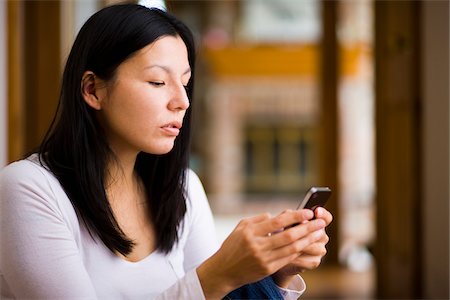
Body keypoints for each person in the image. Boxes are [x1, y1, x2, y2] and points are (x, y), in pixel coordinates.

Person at [0, 4, 332, 299]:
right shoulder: (28, 189)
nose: (182, 101)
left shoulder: (182, 189)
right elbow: (207, 288)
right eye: (158, 82)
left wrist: (274, 271)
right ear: (92, 90)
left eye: (185, 83)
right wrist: (216, 276)